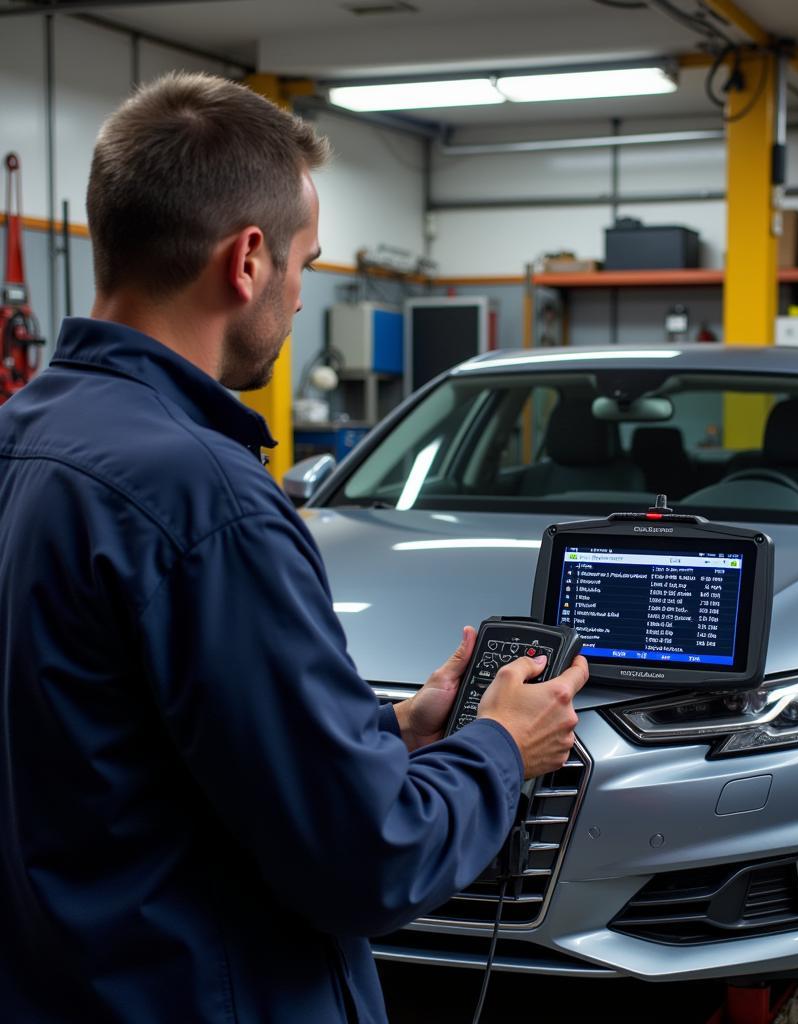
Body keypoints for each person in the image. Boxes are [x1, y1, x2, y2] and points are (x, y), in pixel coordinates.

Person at [0, 73, 588, 1023]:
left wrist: (391, 734)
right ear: (247, 261)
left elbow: (118, 746)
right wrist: (499, 749)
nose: (303, 296)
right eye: (306, 264)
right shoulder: (209, 502)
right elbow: (371, 858)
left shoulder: (21, 441)